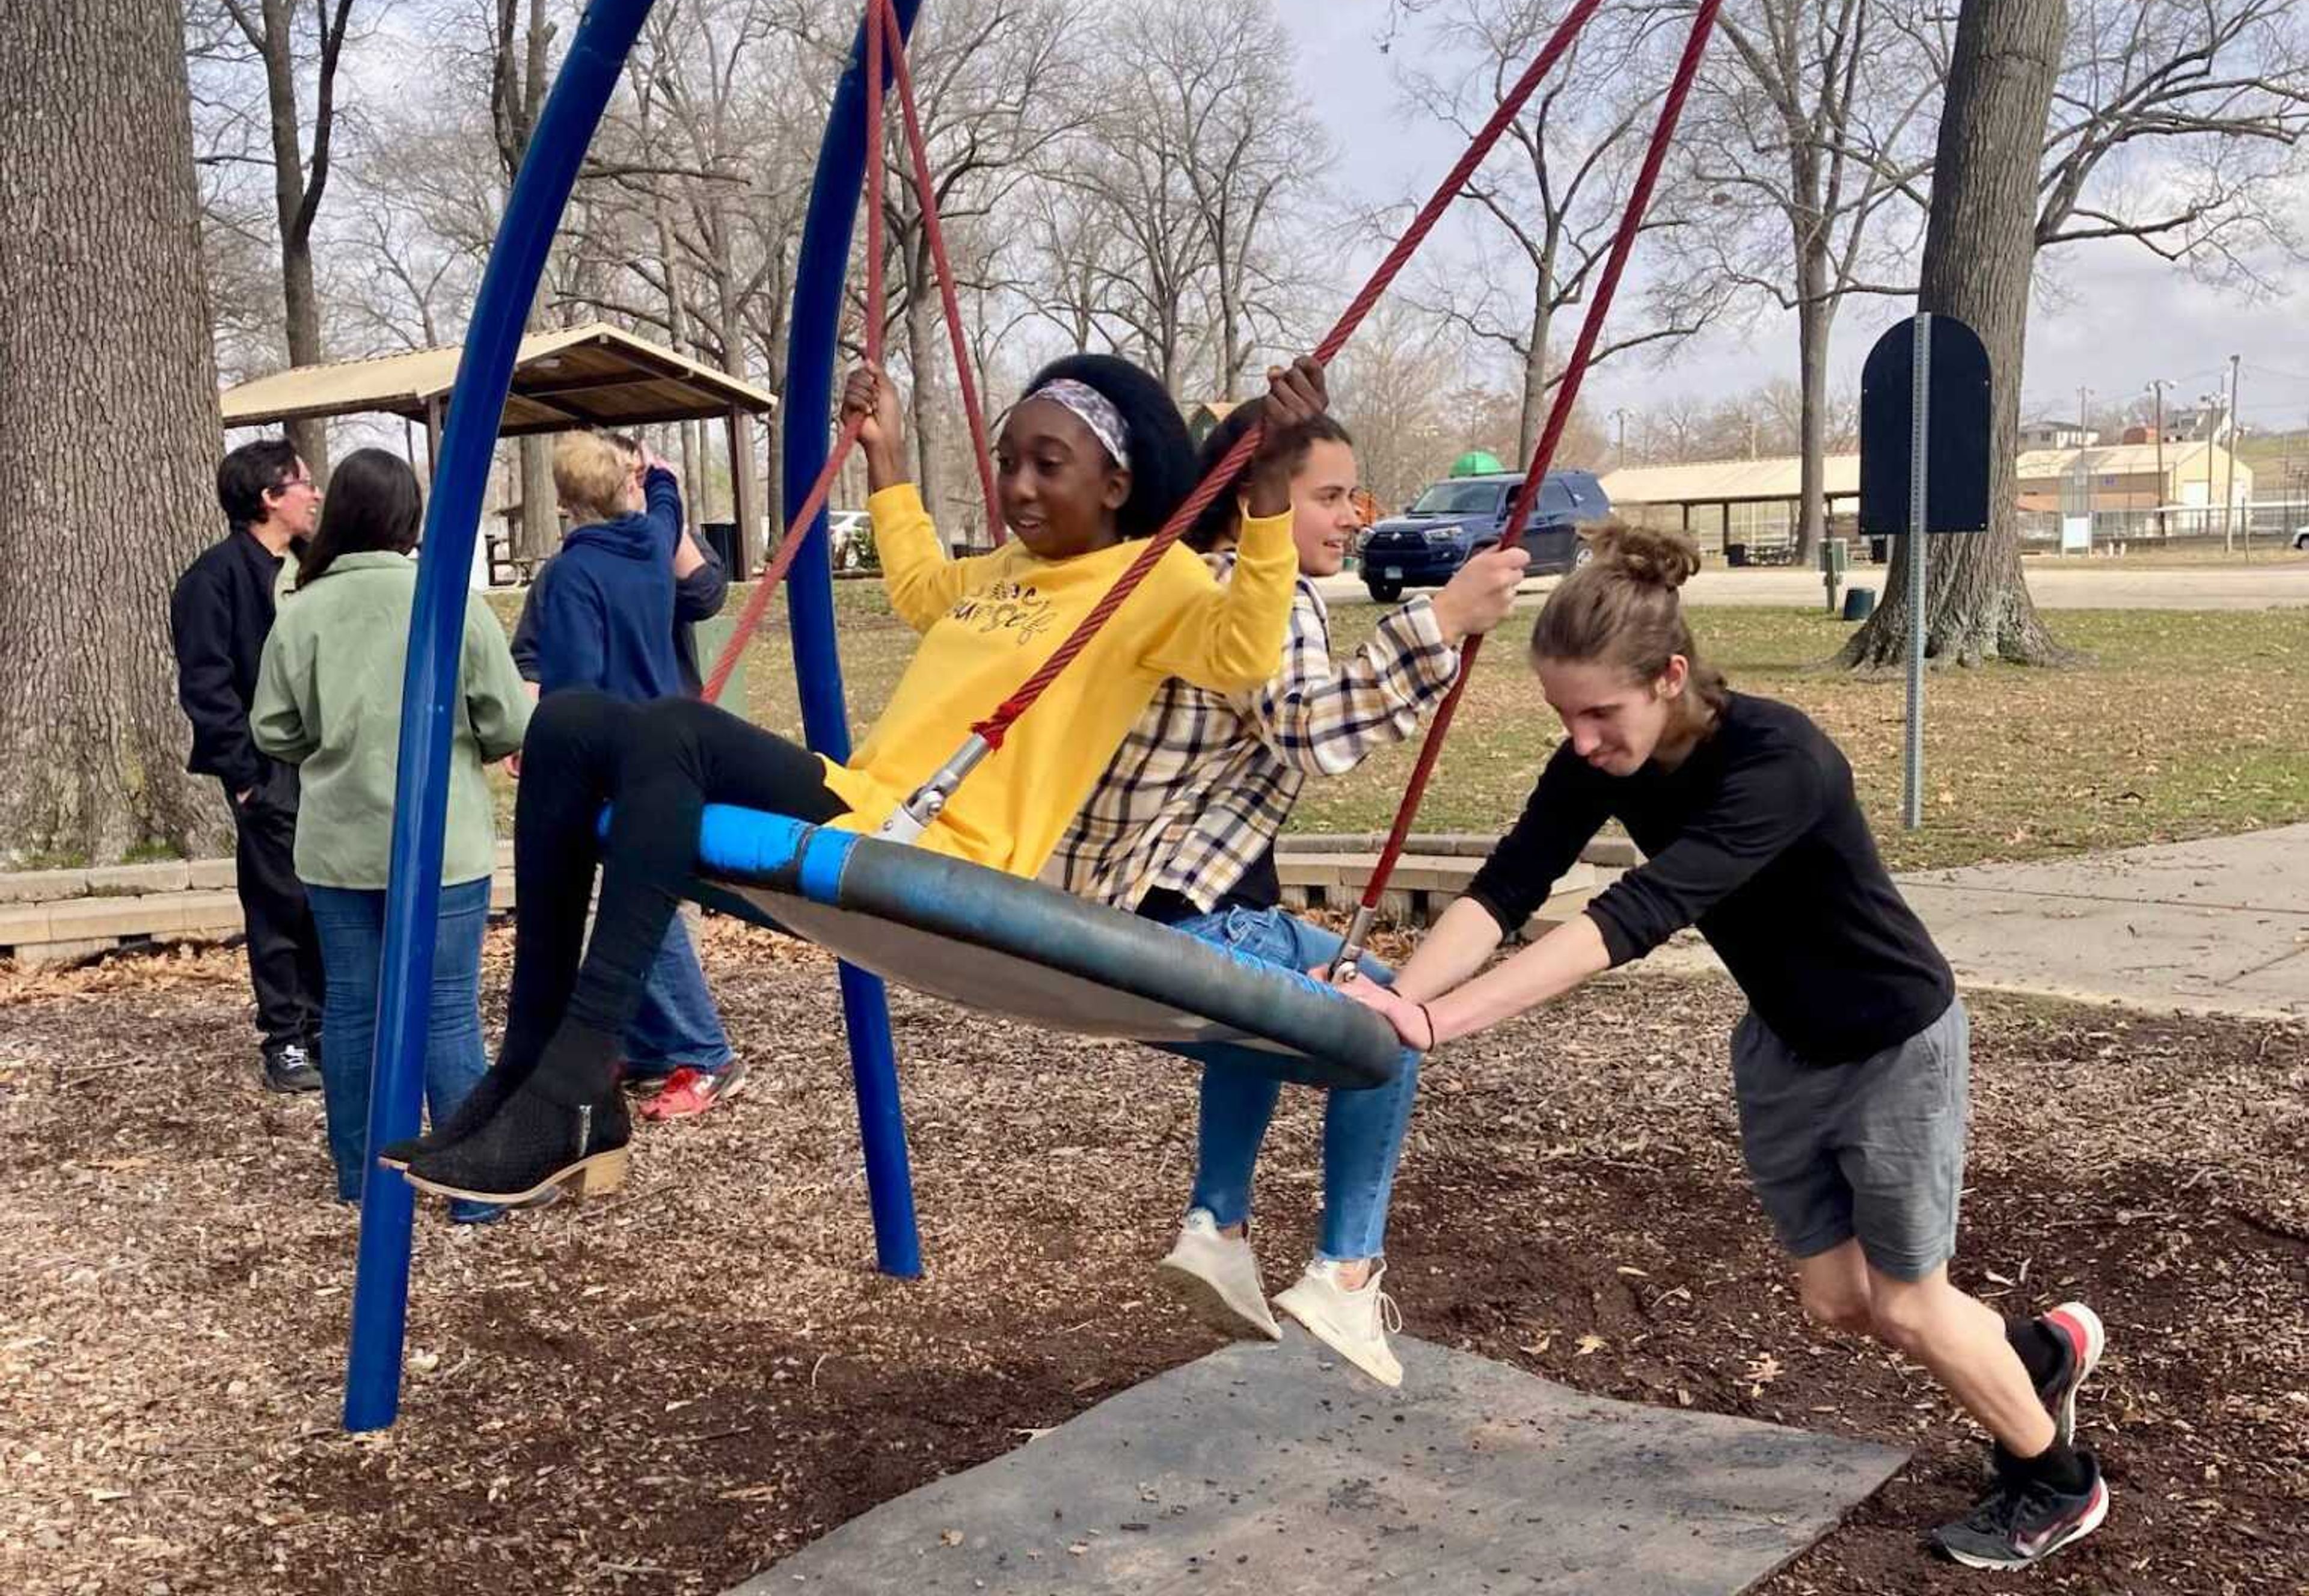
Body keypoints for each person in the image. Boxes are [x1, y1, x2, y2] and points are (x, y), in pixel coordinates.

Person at [386, 351, 1328, 1208]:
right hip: (867, 802)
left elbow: (1245, 651)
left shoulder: (1149, 581)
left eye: (1048, 464)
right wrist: (885, 457)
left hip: (943, 849)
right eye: (1008, 463)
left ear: (1117, 483)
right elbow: (921, 589)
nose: (1018, 487)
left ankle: (577, 1082)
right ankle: (526, 1070)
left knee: (675, 731)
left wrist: (1273, 493)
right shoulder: (1004, 571)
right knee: (572, 720)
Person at [1346, 521, 2109, 1571]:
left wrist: (1440, 1025)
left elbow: (1635, 914)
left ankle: (2058, 1483)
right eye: (1564, 715)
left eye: (1601, 713)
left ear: (1669, 676)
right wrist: (1389, 998)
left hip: (1893, 1046)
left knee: (1912, 1303)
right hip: (1786, 1049)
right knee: (1840, 1305)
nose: (1582, 740)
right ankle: (2033, 1356)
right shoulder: (1600, 758)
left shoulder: (1778, 759)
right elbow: (1507, 887)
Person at [1052, 405, 1527, 1386]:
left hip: (1109, 924)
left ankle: (1217, 1223)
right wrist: (1440, 621)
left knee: (1259, 999)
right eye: (1326, 495)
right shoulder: (1255, 591)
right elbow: (1311, 728)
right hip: (1184, 920)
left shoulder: (1167, 585)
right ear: (1257, 500)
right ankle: (1346, 1273)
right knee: (1391, 1017)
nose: (1353, 514)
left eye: (1353, 493)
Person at [251, 449, 531, 1226]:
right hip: (442, 843)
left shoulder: (302, 606)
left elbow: (272, 727)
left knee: (353, 1008)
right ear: (411, 518)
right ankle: (472, 1184)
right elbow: (508, 719)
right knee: (446, 1009)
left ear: (339, 512)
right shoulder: (448, 598)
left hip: (340, 844)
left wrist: (330, 736)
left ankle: (362, 1173)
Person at [515, 431, 746, 1125]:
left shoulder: (568, 576)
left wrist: (553, 741)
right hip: (665, 742)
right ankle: (648, 1044)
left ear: (563, 502)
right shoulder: (649, 543)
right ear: (626, 488)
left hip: (612, 754)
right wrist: (659, 472)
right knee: (636, 892)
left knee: (636, 898)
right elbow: (670, 502)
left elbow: (578, 683)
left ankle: (706, 1052)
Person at [170, 438, 327, 1093]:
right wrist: (246, 778)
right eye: (304, 483)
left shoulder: (315, 570)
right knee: (278, 901)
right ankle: (285, 1038)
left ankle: (326, 1025)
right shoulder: (215, 579)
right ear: (269, 497)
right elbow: (207, 685)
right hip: (267, 769)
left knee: (326, 896)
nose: (316, 494)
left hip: (329, 763)